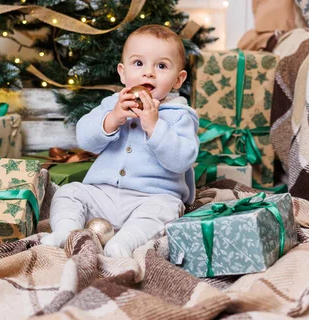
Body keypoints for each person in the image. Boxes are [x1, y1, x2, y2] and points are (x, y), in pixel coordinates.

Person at [41, 24, 199, 257]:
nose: (148, 73)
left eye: (161, 66)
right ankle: (67, 231)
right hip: (102, 192)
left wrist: (154, 126)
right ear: (123, 73)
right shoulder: (113, 105)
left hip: (151, 197)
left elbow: (181, 160)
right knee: (69, 192)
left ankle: (125, 242)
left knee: (165, 210)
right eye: (138, 63)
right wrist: (112, 118)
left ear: (178, 79)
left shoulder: (180, 115)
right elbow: (85, 140)